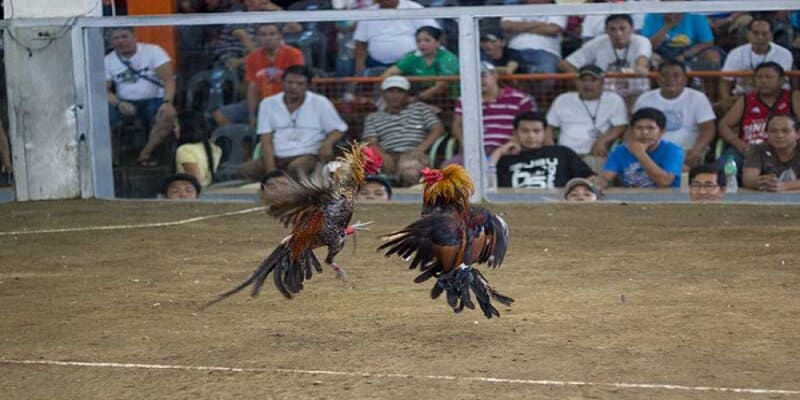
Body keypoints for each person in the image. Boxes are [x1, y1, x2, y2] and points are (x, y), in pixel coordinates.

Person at [243, 65, 348, 181]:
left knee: (297, 168)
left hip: (307, 155)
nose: (293, 87)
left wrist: (327, 143)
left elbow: (339, 129)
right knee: (247, 170)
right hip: (278, 157)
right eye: (289, 82)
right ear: (282, 82)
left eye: (299, 84)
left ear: (308, 85)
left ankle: (287, 185)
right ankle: (278, 182)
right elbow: (265, 138)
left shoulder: (320, 102)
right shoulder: (268, 103)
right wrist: (271, 170)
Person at [105, 27, 177, 167]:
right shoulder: (107, 61)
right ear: (111, 42)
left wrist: (167, 102)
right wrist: (119, 103)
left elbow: (169, 80)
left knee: (168, 115)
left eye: (124, 36)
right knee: (102, 116)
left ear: (134, 37)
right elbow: (103, 91)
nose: (121, 41)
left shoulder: (153, 51)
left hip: (155, 99)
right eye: (116, 38)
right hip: (125, 102)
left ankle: (145, 153)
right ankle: (112, 160)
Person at [212, 23, 305, 127]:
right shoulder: (252, 58)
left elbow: (298, 85)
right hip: (262, 101)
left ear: (280, 36)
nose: (268, 38)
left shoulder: (294, 54)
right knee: (220, 115)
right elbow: (252, 88)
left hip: (287, 102)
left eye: (272, 34)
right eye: (263, 35)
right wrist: (252, 116)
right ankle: (246, 141)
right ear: (258, 38)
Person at [448, 61, 536, 165]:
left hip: (508, 150)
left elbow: (529, 126)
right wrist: (465, 144)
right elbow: (456, 125)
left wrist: (511, 144)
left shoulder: (519, 99)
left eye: (483, 76)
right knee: (448, 170)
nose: (479, 80)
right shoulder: (465, 100)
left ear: (495, 75)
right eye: (473, 76)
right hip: (474, 152)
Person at [633, 60, 716, 169]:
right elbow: (633, 129)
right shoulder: (645, 98)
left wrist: (697, 149)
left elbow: (708, 129)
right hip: (651, 151)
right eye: (665, 75)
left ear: (685, 79)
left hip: (686, 152)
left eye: (676, 75)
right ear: (658, 79)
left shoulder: (698, 98)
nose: (670, 79)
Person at [363, 76, 444, 187]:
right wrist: (384, 157)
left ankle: (409, 203)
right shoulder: (373, 117)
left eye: (400, 91)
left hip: (413, 153)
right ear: (383, 94)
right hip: (387, 154)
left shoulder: (419, 108)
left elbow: (438, 128)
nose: (395, 96)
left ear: (406, 95)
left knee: (409, 172)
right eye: (390, 91)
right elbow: (371, 142)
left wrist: (420, 149)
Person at [718, 62, 800, 170]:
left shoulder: (793, 97)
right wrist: (738, 143)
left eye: (769, 77)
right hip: (749, 150)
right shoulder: (746, 99)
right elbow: (724, 125)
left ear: (781, 80)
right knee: (724, 166)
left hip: (786, 151)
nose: (763, 81)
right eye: (759, 77)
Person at [546, 64, 628, 172]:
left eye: (593, 80)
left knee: (596, 177)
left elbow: (621, 125)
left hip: (595, 154)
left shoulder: (614, 99)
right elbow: (548, 127)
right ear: (576, 82)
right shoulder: (563, 99)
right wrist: (552, 150)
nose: (588, 84)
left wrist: (602, 140)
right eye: (583, 80)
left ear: (602, 82)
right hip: (566, 153)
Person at [491, 111, 594, 188]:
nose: (531, 136)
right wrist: (498, 152)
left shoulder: (562, 153)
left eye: (536, 131)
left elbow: (589, 178)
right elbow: (487, 185)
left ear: (544, 133)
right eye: (525, 131)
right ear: (515, 133)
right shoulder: (505, 159)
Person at [562, 14, 651, 99]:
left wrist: (640, 66)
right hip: (605, 95)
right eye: (613, 29)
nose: (618, 33)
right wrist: (581, 82)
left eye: (622, 29)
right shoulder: (597, 43)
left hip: (634, 93)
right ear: (606, 30)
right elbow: (566, 64)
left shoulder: (642, 41)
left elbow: (642, 59)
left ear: (632, 29)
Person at [718, 18, 794, 110]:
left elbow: (776, 83)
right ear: (748, 34)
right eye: (755, 33)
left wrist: (750, 80)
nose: (760, 37)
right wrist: (726, 100)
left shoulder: (784, 54)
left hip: (776, 98)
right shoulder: (736, 53)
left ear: (771, 35)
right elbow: (725, 80)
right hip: (742, 98)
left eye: (764, 33)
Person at [600, 107, 684, 188]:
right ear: (631, 131)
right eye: (639, 128)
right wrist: (599, 183)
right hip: (631, 199)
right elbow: (605, 178)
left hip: (668, 199)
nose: (644, 132)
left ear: (662, 131)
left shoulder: (673, 151)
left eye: (650, 128)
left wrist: (640, 154)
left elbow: (665, 182)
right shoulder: (620, 150)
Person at [353, 0, 440, 74]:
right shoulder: (368, 13)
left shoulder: (412, 7)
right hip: (376, 64)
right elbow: (360, 43)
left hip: (410, 64)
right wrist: (359, 66)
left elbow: (435, 33)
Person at [382, 26, 459, 101]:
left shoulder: (448, 59)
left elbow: (441, 87)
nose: (422, 44)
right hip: (420, 97)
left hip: (448, 100)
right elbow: (389, 73)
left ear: (438, 42)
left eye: (427, 40)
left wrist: (414, 99)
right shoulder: (412, 57)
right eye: (418, 41)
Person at [641, 6, 722, 68]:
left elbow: (707, 42)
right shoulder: (652, 15)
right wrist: (667, 26)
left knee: (712, 56)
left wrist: (685, 55)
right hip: (661, 54)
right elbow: (647, 45)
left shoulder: (695, 15)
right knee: (647, 59)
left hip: (689, 53)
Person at [500, 0, 567, 74]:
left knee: (545, 77)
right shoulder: (517, 7)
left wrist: (521, 27)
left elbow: (552, 29)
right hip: (514, 50)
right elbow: (507, 25)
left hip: (545, 51)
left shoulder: (557, 8)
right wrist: (538, 24)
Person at [742, 114, 800, 192]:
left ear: (798, 134)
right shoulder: (758, 149)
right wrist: (762, 182)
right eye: (773, 131)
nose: (779, 135)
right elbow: (748, 179)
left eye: (785, 131)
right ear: (767, 134)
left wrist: (785, 186)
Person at [175, 111, 223, 188]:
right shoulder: (216, 148)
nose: (174, 130)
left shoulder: (184, 150)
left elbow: (195, 182)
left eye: (176, 126)